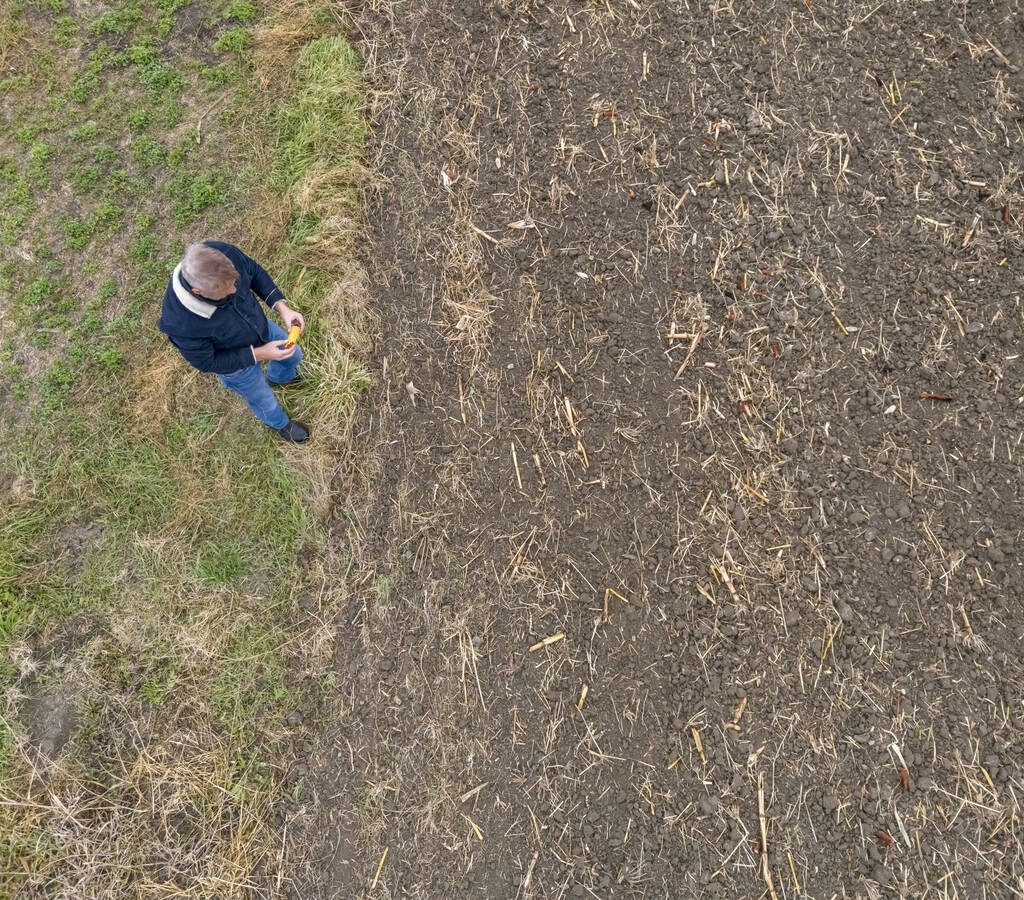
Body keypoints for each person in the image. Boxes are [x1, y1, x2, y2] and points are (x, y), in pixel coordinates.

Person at [158, 241, 310, 442]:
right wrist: (261, 353)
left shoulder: (221, 253)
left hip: (259, 328)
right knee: (263, 399)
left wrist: (283, 309)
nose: (234, 290)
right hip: (236, 365)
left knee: (294, 355)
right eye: (224, 290)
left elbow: (254, 272)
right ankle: (281, 425)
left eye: (235, 281)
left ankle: (279, 378)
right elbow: (207, 362)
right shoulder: (180, 323)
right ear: (198, 292)